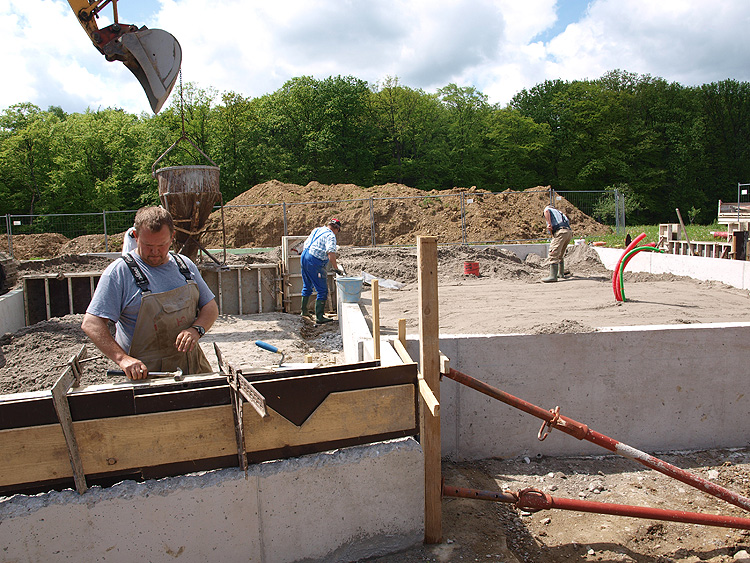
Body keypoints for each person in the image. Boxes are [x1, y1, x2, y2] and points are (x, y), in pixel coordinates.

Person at [82, 206, 218, 380]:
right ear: (136, 237)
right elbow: (91, 323)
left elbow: (210, 307)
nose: (155, 253)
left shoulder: (184, 266)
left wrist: (196, 329)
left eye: (162, 245)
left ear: (172, 237)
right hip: (147, 375)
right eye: (148, 245)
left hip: (192, 368)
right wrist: (122, 359)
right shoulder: (119, 272)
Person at [300, 218, 343, 324]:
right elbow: (331, 253)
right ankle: (320, 317)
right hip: (314, 261)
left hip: (304, 257)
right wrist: (336, 268)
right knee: (322, 290)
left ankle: (304, 312)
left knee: (307, 286)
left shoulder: (317, 229)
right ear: (336, 228)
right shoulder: (330, 236)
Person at [542, 205, 573, 282]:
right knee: (560, 254)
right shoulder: (560, 213)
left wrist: (549, 224)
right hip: (568, 232)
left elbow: (546, 211)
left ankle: (553, 276)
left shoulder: (548, 209)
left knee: (553, 252)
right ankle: (561, 273)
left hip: (560, 232)